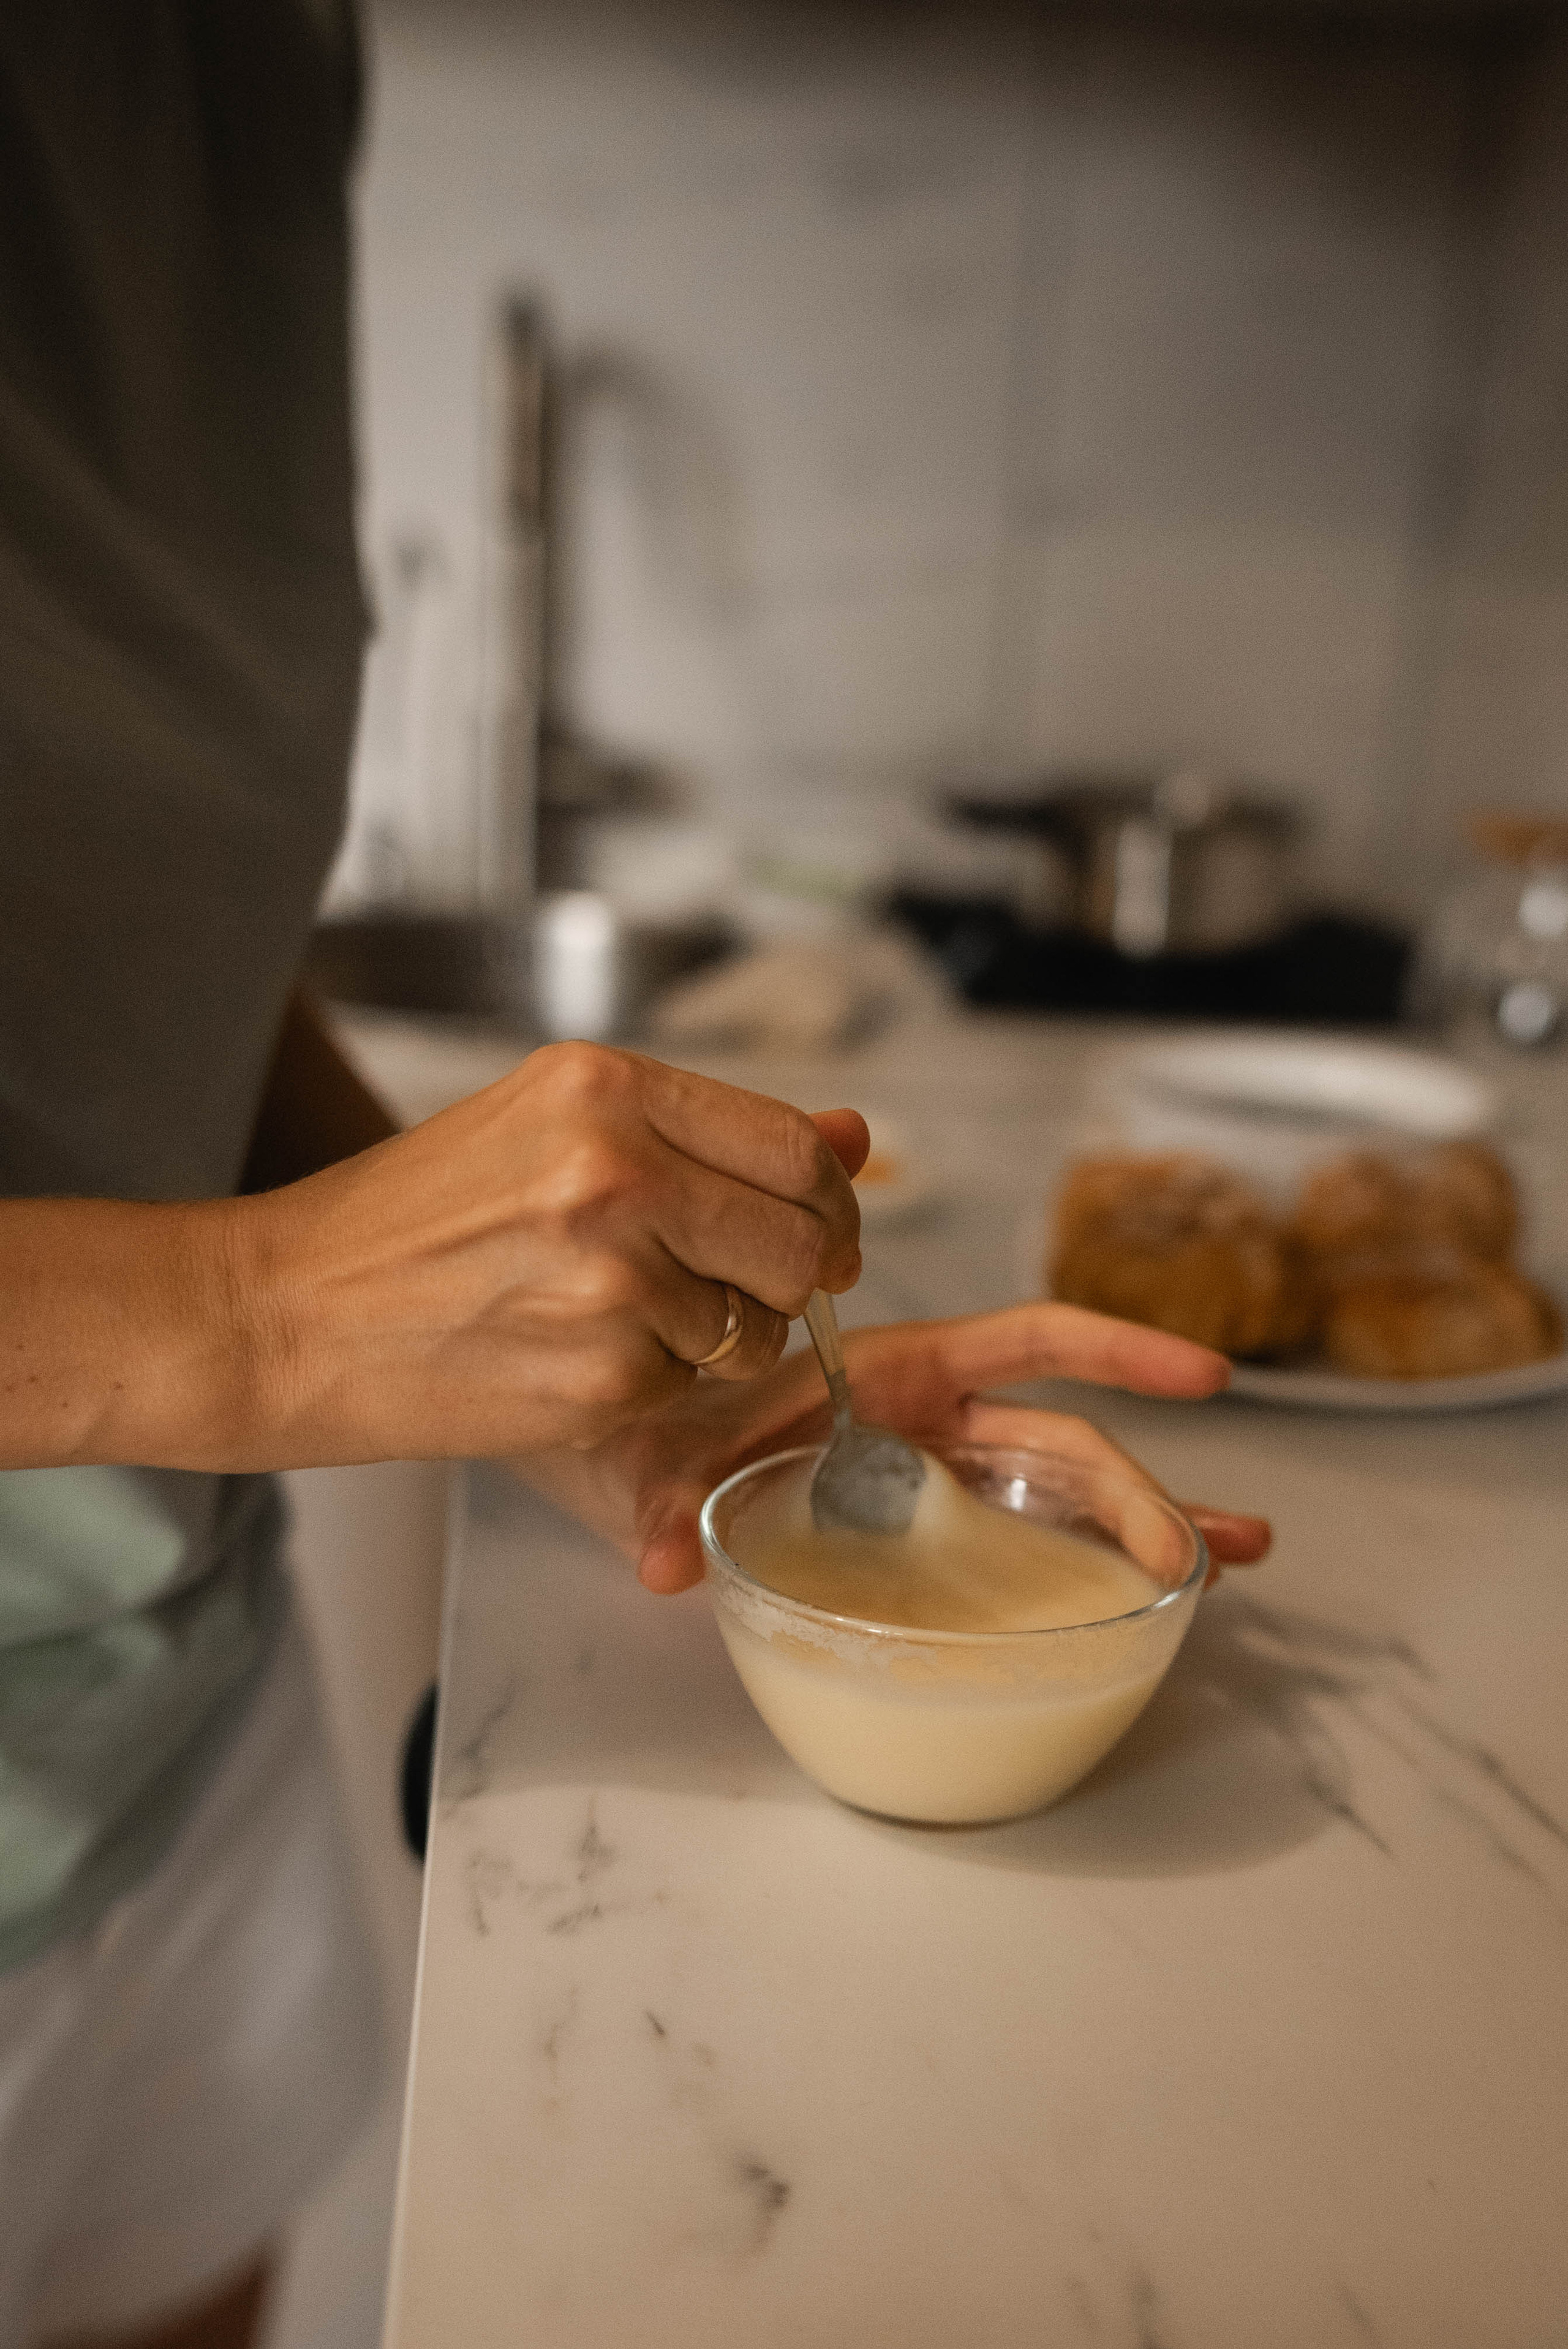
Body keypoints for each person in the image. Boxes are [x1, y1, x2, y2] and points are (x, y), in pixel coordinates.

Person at [0, 9, 1270, 2347]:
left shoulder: (254, 67)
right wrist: (270, 1315)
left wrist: (593, 1389)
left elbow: (138, 936)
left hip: (168, 1724)